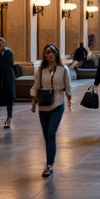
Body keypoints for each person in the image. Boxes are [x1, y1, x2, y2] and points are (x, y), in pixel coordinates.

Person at [31, 43, 72, 177]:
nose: (48, 55)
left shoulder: (63, 69)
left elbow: (68, 85)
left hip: (58, 103)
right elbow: (36, 86)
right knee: (46, 135)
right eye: (46, 53)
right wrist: (33, 102)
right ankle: (49, 159)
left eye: (50, 52)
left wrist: (69, 99)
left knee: (51, 134)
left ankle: (49, 165)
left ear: (55, 54)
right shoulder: (41, 70)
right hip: (43, 104)